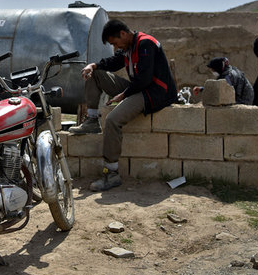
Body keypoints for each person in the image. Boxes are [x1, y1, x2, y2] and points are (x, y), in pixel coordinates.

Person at [69, 19, 177, 191]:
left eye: (115, 42)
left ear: (123, 34)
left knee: (112, 120)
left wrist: (124, 95)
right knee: (95, 74)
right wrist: (93, 65)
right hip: (139, 88)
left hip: (154, 93)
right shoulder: (128, 47)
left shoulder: (145, 44)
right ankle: (91, 120)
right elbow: (113, 62)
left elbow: (145, 79)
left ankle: (111, 173)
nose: (116, 47)